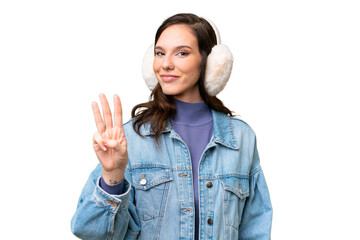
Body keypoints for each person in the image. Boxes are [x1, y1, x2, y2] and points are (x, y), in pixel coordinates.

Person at [71, 13, 272, 240]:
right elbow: (90, 231)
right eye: (159, 53)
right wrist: (112, 177)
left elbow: (256, 230)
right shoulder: (131, 139)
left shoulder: (241, 138)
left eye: (182, 53)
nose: (166, 64)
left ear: (211, 63)